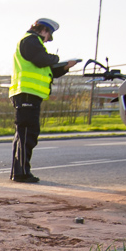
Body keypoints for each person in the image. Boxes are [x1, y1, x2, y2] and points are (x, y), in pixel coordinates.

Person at [9, 18, 76, 183]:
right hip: (26, 94)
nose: (48, 40)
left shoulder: (33, 44)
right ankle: (22, 173)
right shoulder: (31, 41)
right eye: (49, 36)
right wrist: (57, 58)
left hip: (29, 95)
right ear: (43, 30)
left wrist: (65, 67)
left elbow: (47, 70)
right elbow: (43, 60)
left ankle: (19, 172)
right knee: (27, 134)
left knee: (24, 134)